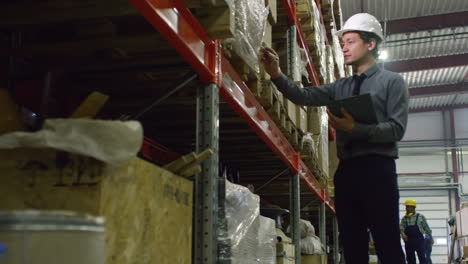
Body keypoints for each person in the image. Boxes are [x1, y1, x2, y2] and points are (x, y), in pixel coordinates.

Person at [260, 13, 408, 263]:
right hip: (348, 172)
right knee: (352, 243)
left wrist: (355, 128)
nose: (344, 47)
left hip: (378, 170)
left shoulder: (393, 83)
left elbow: (396, 129)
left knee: (387, 241)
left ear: (371, 44)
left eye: (350, 41)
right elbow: (303, 96)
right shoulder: (340, 87)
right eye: (343, 42)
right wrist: (276, 75)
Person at [400, 199, 433, 264]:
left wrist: (431, 238)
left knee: (422, 258)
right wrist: (403, 234)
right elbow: (401, 228)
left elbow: (426, 228)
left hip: (420, 241)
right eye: (406, 206)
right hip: (409, 242)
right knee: (410, 259)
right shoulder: (404, 218)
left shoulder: (420, 217)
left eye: (407, 206)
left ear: (413, 207)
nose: (406, 208)